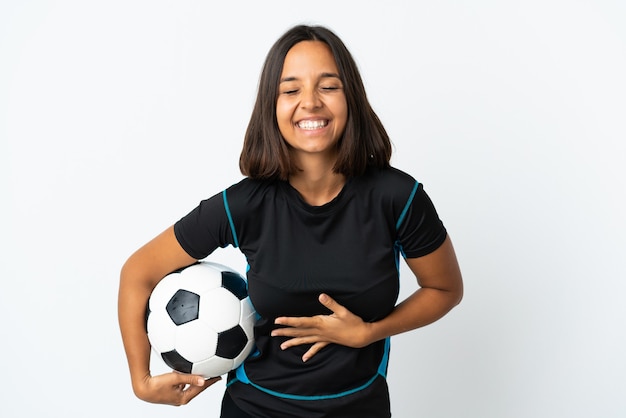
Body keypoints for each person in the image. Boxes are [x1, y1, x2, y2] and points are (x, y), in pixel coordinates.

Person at [118, 24, 463, 418]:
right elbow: (138, 272)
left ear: (351, 98)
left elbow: (445, 288)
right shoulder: (246, 204)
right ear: (272, 105)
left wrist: (370, 332)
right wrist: (140, 380)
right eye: (291, 89)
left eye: (328, 86)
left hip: (360, 407)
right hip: (255, 408)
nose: (311, 102)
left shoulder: (397, 198)